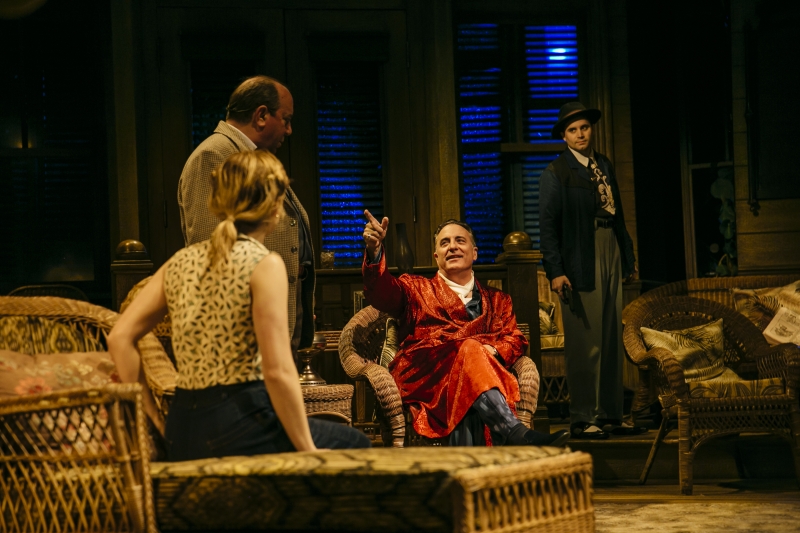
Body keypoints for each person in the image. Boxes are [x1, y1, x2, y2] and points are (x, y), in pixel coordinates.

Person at [109, 151, 370, 460]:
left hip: (183, 429)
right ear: (274, 206)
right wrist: (307, 449)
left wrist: (152, 421)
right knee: (355, 443)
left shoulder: (178, 262)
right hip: (239, 422)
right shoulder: (264, 264)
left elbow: (119, 337)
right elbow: (277, 370)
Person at [361, 211, 570, 447]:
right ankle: (514, 432)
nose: (452, 247)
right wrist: (374, 251)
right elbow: (381, 294)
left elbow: (515, 339)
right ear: (436, 256)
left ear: (475, 253)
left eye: (460, 241)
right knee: (470, 349)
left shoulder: (498, 300)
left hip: (479, 379)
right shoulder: (414, 288)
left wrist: (489, 352)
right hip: (426, 378)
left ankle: (471, 464)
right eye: (444, 243)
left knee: (470, 376)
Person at [178, 75, 314, 356]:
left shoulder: (253, 158)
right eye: (286, 120)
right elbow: (209, 251)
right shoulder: (213, 155)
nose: (289, 130)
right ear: (261, 115)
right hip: (241, 335)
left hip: (273, 319)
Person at [539, 102, 646, 440]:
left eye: (584, 127)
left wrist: (627, 256)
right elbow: (547, 227)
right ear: (564, 136)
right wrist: (555, 271)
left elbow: (618, 214)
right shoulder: (557, 172)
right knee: (586, 340)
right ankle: (584, 417)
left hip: (609, 244)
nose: (580, 134)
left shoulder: (603, 164)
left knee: (611, 335)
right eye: (573, 130)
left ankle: (611, 414)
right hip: (580, 256)